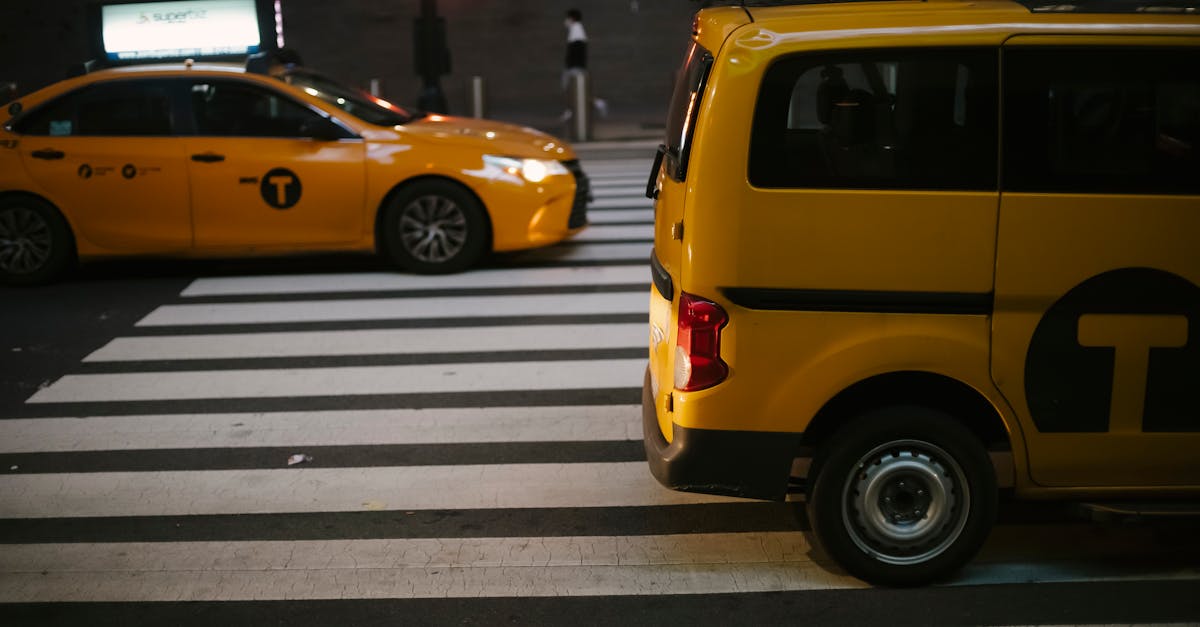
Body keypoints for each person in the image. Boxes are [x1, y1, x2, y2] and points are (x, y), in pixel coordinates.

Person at [561, 9, 607, 121]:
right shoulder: (576, 29)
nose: (566, 21)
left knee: (572, 89)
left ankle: (596, 103)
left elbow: (576, 50)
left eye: (568, 18)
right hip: (576, 66)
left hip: (575, 67)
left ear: (572, 18)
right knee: (575, 90)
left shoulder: (576, 29)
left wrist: (571, 66)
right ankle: (572, 110)